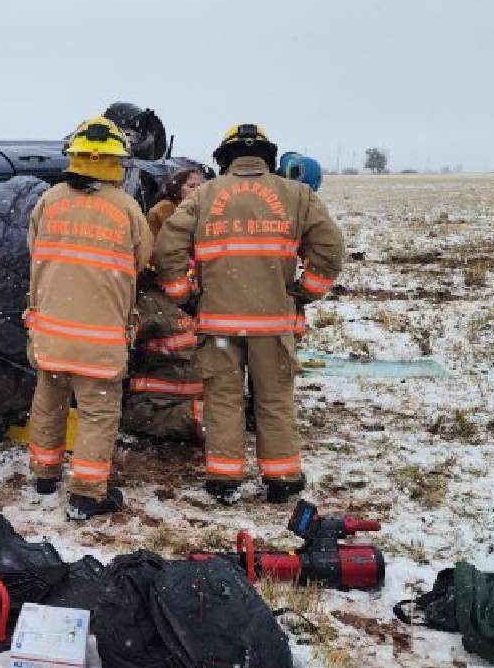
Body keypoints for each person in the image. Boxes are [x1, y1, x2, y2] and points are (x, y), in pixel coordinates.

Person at [153, 123, 344, 505]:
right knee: (274, 399)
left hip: (218, 325)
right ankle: (283, 478)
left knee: (223, 399)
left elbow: (167, 247)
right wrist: (304, 293)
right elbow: (331, 249)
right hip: (273, 326)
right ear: (267, 157)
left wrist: (185, 296)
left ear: (225, 158)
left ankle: (224, 480)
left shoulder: (205, 195)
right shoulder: (297, 195)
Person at [24, 116, 153, 521]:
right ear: (118, 162)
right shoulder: (127, 209)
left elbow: (34, 249)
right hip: (99, 338)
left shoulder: (49, 201)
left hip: (51, 332)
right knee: (97, 413)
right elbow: (142, 260)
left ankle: (44, 475)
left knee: (48, 401)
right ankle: (86, 492)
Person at [146, 169, 204, 238]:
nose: (197, 190)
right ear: (178, 188)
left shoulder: (199, 211)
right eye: (191, 186)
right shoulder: (164, 209)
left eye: (200, 187)